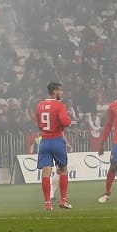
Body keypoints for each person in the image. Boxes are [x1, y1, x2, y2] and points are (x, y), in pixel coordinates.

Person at [35, 81, 73, 211]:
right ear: (55, 91)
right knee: (63, 170)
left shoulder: (40, 105)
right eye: (60, 91)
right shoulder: (59, 105)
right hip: (56, 140)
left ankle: (47, 203)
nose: (62, 93)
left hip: (44, 141)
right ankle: (63, 200)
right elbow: (65, 121)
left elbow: (39, 124)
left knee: (46, 172)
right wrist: (69, 120)